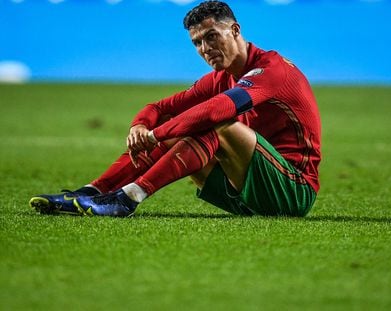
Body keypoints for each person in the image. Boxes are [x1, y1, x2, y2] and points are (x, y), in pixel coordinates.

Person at [29, 0, 321, 217]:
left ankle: (128, 198)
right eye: (197, 43)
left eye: (211, 36)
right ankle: (92, 192)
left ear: (234, 30)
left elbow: (213, 113)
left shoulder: (272, 70)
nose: (205, 48)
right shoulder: (221, 78)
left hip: (293, 191)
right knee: (185, 123)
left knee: (217, 123)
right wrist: (140, 127)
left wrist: (155, 136)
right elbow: (158, 107)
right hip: (244, 196)